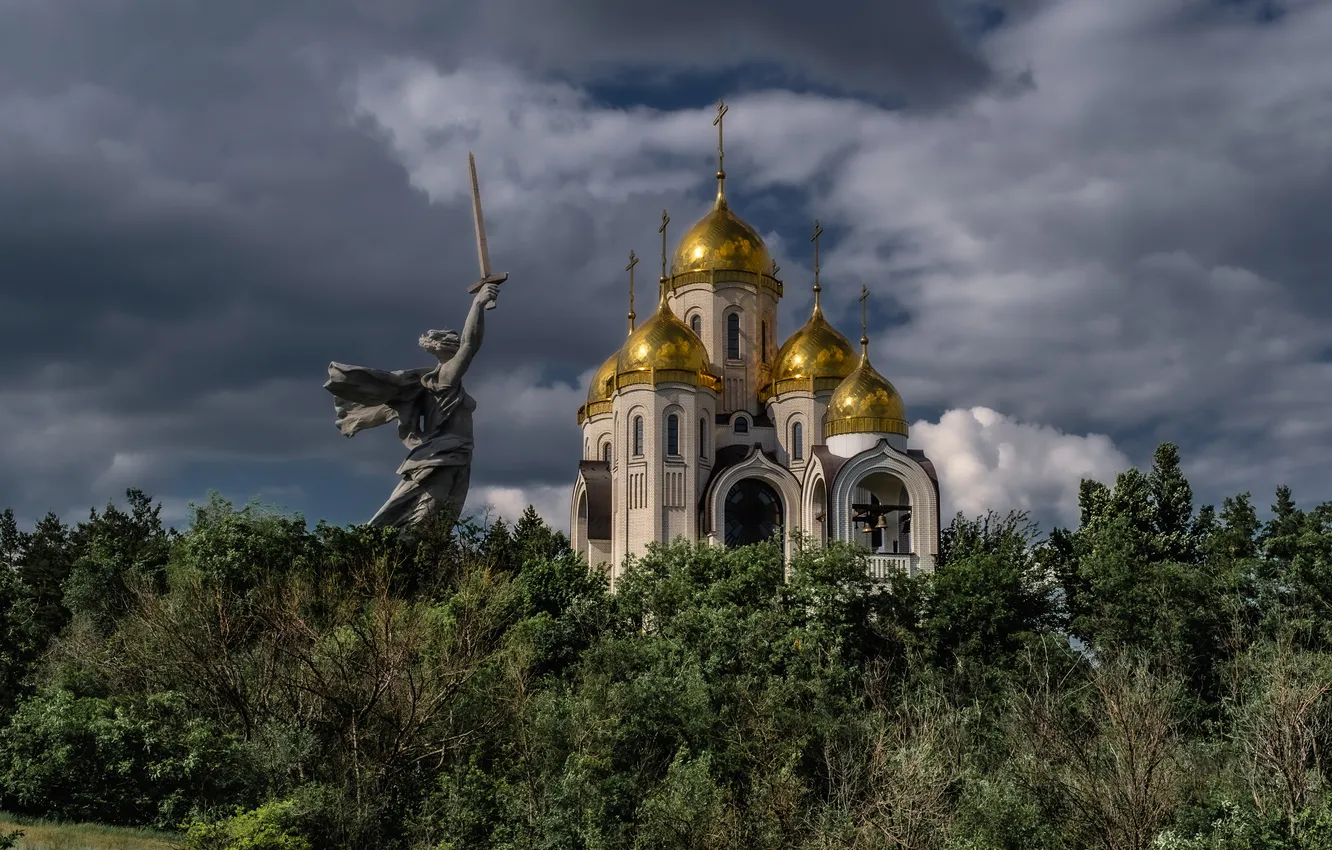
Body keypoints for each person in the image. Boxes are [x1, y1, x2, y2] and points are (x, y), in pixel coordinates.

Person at [324, 279, 501, 529]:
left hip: (454, 455)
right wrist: (478, 304)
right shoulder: (445, 377)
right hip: (442, 457)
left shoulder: (437, 379)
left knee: (442, 521)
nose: (459, 341)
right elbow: (471, 344)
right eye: (454, 339)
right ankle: (391, 555)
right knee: (426, 518)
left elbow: (468, 345)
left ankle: (403, 557)